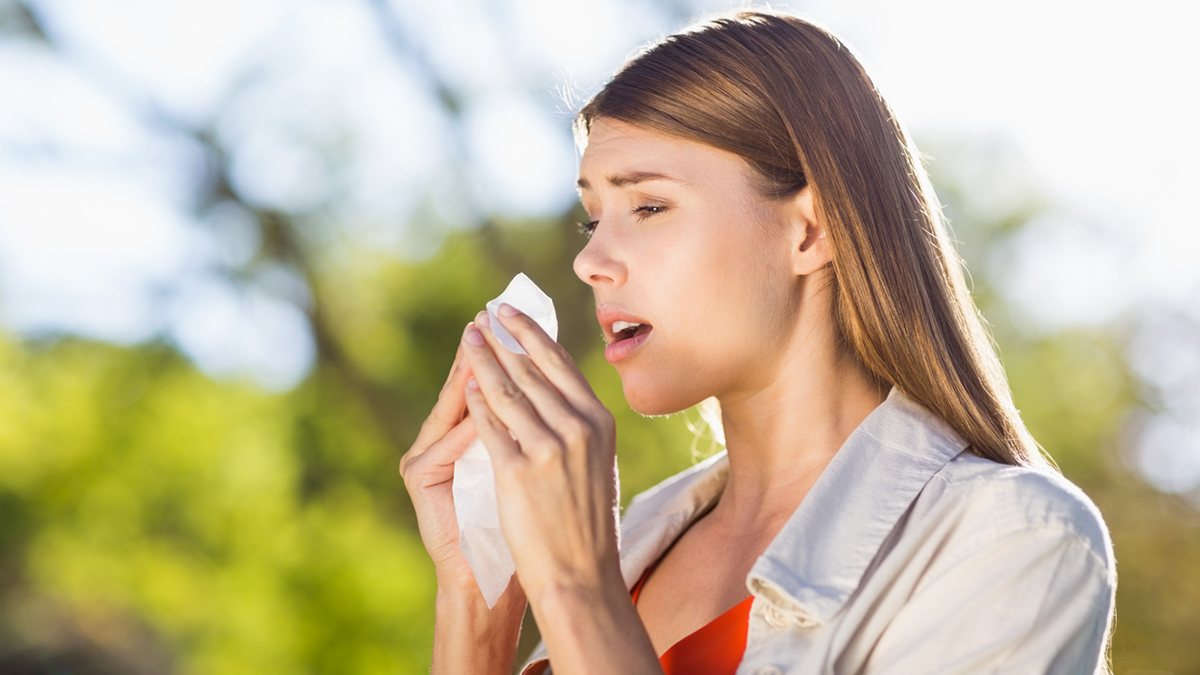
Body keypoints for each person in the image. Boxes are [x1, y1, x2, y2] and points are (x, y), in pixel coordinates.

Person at [399, 10, 1115, 675]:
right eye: (594, 219)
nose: (591, 261)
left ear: (811, 229)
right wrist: (478, 597)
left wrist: (576, 587)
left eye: (648, 206)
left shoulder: (1015, 541)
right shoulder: (634, 538)